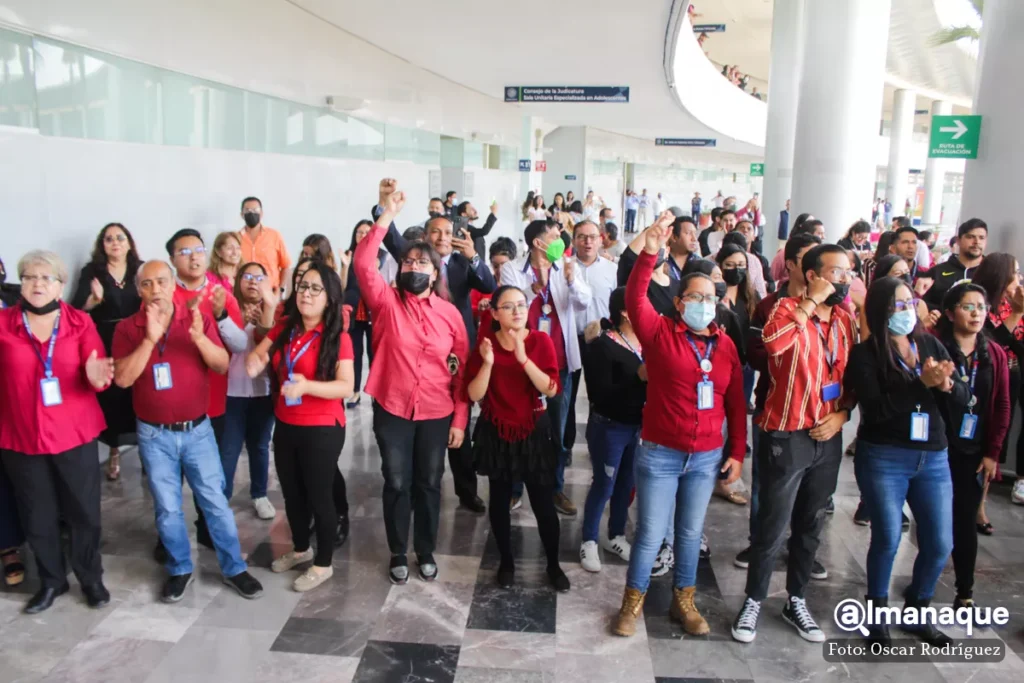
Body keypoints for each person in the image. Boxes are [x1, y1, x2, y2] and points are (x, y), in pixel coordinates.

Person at [612, 212, 745, 638]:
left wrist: (737, 452)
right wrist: (650, 252)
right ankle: (631, 604)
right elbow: (635, 297)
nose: (704, 304)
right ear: (680, 301)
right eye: (695, 297)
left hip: (705, 457)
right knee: (651, 533)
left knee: (690, 534)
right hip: (660, 454)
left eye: (711, 297)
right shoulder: (660, 333)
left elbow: (738, 405)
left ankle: (683, 602)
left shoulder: (724, 348)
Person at [113, 260, 263, 603]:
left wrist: (198, 337)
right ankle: (180, 567)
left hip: (197, 431)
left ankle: (234, 568)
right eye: (147, 284)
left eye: (161, 282)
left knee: (215, 502)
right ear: (139, 290)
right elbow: (122, 379)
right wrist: (149, 340)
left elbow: (223, 364)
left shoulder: (196, 318)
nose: (155, 290)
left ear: (172, 285)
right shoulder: (127, 328)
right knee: (167, 507)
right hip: (153, 435)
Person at [732, 244, 856, 644]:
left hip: (828, 435)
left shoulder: (844, 321)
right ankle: (753, 600)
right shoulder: (785, 308)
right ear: (812, 274)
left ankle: (796, 599)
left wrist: (842, 415)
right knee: (772, 523)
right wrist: (810, 303)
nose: (844, 279)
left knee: (811, 522)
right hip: (787, 433)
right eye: (836, 272)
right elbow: (773, 346)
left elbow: (852, 377)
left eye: (848, 272)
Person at [844, 275, 969, 646]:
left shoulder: (929, 343)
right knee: (886, 536)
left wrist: (948, 387)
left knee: (939, 542)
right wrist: (922, 385)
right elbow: (878, 411)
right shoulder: (866, 354)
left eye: (909, 302)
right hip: (884, 456)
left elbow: (960, 397)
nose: (906, 310)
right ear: (882, 310)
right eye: (897, 304)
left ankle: (917, 608)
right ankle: (876, 616)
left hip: (932, 457)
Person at [355, 184, 470, 584]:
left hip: (438, 412)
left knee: (429, 482)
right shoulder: (386, 303)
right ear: (400, 268)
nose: (415, 268)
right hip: (393, 409)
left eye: (424, 264)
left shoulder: (450, 314)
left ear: (436, 273)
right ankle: (398, 551)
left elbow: (462, 371)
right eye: (409, 262)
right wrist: (386, 214)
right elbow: (364, 265)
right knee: (397, 480)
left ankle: (425, 549)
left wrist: (459, 420)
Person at [0, 250, 114, 613]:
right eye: (30, 277)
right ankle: (52, 581)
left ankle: (90, 577)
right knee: (37, 513)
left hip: (74, 434)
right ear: (21, 283)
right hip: (20, 436)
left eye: (46, 278)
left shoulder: (80, 322)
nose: (38, 284)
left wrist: (97, 377)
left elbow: (95, 370)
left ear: (61, 286)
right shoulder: (3, 324)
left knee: (83, 511)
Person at [373, 180, 496, 513]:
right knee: (420, 441)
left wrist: (474, 258)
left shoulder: (460, 265)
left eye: (447, 232)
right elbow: (389, 235)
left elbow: (489, 284)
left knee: (459, 430)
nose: (442, 237)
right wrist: (383, 206)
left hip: (455, 357)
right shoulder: (414, 263)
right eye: (435, 232)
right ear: (425, 238)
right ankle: (417, 488)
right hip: (412, 364)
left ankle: (466, 489)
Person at [245, 261, 354, 592]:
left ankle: (322, 564)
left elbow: (346, 386)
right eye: (302, 286)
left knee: (319, 496)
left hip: (322, 426)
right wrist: (256, 360)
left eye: (315, 288)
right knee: (292, 494)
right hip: (287, 423)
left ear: (329, 298)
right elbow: (258, 357)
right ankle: (300, 548)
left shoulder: (338, 337)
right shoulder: (285, 328)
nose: (306, 293)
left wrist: (307, 386)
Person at [466, 285, 569, 591]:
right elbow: (474, 394)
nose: (517, 312)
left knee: (542, 502)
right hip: (497, 429)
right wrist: (487, 363)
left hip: (534, 429)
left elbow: (552, 389)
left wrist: (524, 359)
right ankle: (506, 561)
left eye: (522, 305)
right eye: (508, 307)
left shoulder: (540, 340)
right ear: (495, 314)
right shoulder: (486, 346)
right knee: (499, 499)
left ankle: (553, 564)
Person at [734, 232, 823, 568]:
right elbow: (757, 353)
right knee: (767, 487)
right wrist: (788, 354)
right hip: (776, 407)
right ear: (791, 265)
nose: (817, 267)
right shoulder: (771, 306)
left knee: (812, 493)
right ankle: (759, 544)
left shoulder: (834, 309)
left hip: (818, 415)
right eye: (809, 259)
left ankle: (802, 551)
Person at [500, 219, 593, 515]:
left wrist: (570, 280)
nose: (561, 240)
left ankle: (555, 488)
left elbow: (583, 303)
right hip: (521, 362)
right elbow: (505, 306)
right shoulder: (512, 269)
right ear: (539, 243)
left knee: (556, 429)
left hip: (558, 363)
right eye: (555, 236)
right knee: (517, 427)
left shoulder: (567, 266)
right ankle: (514, 490)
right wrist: (532, 290)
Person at [934, 282, 1010, 613]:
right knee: (933, 520)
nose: (977, 313)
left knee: (965, 521)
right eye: (968, 306)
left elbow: (1003, 403)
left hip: (973, 451)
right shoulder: (935, 347)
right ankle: (926, 579)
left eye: (981, 307)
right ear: (951, 313)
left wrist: (993, 452)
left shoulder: (992, 354)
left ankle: (965, 590)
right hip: (936, 447)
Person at [579, 287, 645, 573]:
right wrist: (639, 379)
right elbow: (601, 393)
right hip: (609, 426)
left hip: (639, 426)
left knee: (626, 483)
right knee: (604, 483)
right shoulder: (603, 345)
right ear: (625, 312)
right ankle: (588, 540)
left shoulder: (648, 343)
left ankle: (615, 535)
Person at [71, 223, 142, 481]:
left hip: (136, 337)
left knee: (139, 392)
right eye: (109, 239)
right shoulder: (93, 271)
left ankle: (146, 451)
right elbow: (77, 308)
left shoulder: (139, 268)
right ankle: (114, 451)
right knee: (113, 398)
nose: (115, 243)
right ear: (102, 245)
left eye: (120, 237)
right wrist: (94, 301)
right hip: (107, 339)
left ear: (129, 242)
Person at [220, 262, 278, 521]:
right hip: (231, 392)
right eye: (247, 276)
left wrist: (267, 309)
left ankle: (259, 494)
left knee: (259, 446)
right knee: (229, 449)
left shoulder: (274, 310)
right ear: (238, 280)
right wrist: (240, 318)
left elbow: (266, 337)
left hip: (262, 391)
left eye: (259, 277)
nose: (253, 282)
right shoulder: (226, 308)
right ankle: (221, 498)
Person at [972, 253, 1024, 507]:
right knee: (977, 435)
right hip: (982, 375)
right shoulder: (980, 302)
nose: (1020, 277)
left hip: (1011, 374)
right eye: (1015, 272)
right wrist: (1017, 313)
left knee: (996, 437)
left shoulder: (1012, 303)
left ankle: (981, 503)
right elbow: (992, 343)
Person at [564, 221, 618, 455]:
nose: (587, 242)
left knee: (602, 396)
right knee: (568, 396)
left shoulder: (611, 269)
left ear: (601, 239)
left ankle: (600, 447)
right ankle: (565, 448)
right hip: (570, 338)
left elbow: (616, 306)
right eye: (582, 237)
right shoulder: (563, 267)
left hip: (601, 341)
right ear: (574, 240)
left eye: (592, 237)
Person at [342, 220, 398, 408]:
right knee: (355, 354)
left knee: (375, 354)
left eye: (368, 231)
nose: (363, 235)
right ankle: (355, 392)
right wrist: (344, 266)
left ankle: (376, 392)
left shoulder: (385, 257)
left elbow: (388, 283)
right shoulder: (349, 255)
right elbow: (342, 286)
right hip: (354, 311)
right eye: (359, 232)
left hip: (375, 311)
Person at [924, 218, 987, 311]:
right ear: (958, 240)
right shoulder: (936, 272)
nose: (977, 242)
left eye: (981, 238)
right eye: (970, 237)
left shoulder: (992, 273)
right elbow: (923, 306)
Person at [238, 197, 291, 294]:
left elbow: (285, 266)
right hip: (244, 295)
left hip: (271, 292)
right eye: (247, 210)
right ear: (242, 214)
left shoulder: (274, 235)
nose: (252, 213)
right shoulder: (236, 239)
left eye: (255, 210)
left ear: (261, 213)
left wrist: (281, 289)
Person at [472, 238, 516, 325]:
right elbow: (469, 310)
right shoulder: (482, 284)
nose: (500, 270)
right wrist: (479, 308)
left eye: (504, 266)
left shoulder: (519, 286)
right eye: (495, 266)